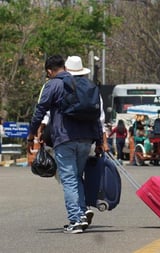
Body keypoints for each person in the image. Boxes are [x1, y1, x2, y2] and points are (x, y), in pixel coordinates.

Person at [27, 55, 104, 234]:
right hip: (86, 139)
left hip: (65, 138)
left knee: (68, 179)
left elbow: (40, 110)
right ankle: (83, 213)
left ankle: (75, 220)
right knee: (76, 177)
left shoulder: (53, 85)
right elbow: (96, 117)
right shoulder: (84, 85)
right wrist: (99, 141)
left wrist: (31, 133)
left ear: (49, 71)